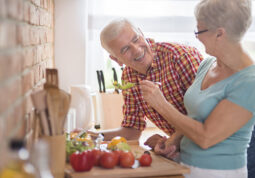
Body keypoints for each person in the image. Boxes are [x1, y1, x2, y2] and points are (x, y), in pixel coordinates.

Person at [140, 0, 255, 177]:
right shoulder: (207, 64)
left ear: (219, 34)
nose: (197, 36)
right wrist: (174, 141)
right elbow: (195, 117)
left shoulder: (249, 81)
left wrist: (161, 104)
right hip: (186, 166)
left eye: (199, 30)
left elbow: (205, 137)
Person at [96, 18, 203, 144]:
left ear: (142, 33)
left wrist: (170, 141)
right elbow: (132, 131)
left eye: (136, 39)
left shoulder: (180, 57)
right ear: (116, 59)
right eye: (125, 49)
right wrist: (92, 136)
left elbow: (205, 116)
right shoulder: (128, 77)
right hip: (182, 148)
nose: (136, 50)